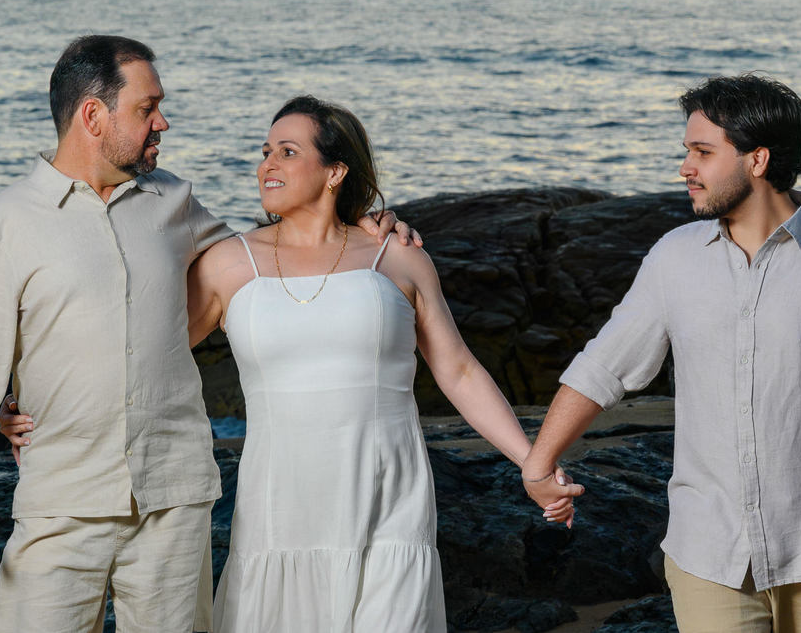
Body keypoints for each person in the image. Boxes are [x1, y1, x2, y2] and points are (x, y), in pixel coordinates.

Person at [0, 36, 412, 633]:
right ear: (93, 115)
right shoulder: (6, 224)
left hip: (174, 500)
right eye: (147, 108)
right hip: (59, 498)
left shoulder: (176, 200)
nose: (162, 121)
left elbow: (273, 253)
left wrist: (360, 223)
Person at [521, 74, 801, 633]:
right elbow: (604, 367)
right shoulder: (674, 258)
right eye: (687, 151)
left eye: (702, 152)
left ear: (757, 160)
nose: (686, 168)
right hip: (707, 548)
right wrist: (539, 463)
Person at [184, 95, 574, 632]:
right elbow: (148, 357)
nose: (267, 165)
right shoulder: (228, 263)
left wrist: (532, 463)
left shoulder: (397, 255)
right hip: (281, 509)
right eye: (266, 151)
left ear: (335, 171)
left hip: (390, 498)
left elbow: (457, 370)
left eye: (288, 152)